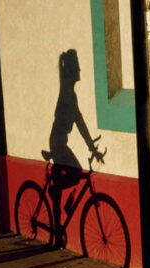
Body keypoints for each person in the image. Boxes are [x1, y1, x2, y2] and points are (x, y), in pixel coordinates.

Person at [46, 49, 104, 247]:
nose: (80, 70)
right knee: (75, 173)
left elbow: (79, 122)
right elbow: (78, 122)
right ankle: (55, 194)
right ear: (72, 71)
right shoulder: (67, 94)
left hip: (60, 142)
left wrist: (91, 147)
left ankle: (56, 194)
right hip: (57, 143)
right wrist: (90, 147)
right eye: (77, 67)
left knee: (70, 176)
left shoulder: (70, 93)